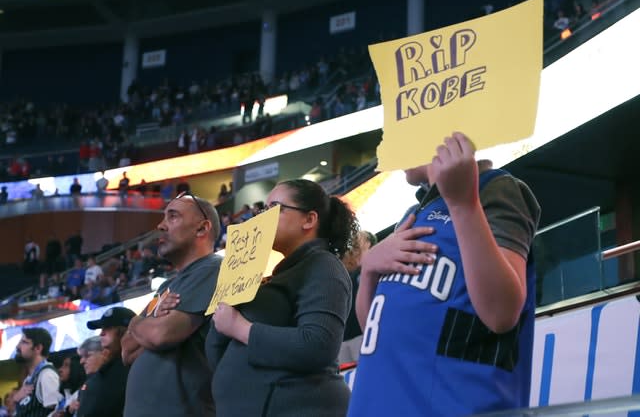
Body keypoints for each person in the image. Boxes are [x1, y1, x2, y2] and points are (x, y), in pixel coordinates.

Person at [347, 132, 541, 417]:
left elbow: (502, 312)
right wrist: (369, 272)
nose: (387, 147)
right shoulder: (413, 212)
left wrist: (464, 204)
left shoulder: (496, 188)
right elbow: (375, 330)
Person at [205, 179, 358, 416]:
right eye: (263, 210)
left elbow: (318, 344)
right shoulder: (279, 274)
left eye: (275, 208)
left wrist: (240, 327)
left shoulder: (324, 266)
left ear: (309, 220)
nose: (263, 218)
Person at [121, 192, 222, 417]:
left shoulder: (213, 268)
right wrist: (152, 320)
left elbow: (159, 335)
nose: (161, 225)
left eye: (173, 217)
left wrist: (136, 320)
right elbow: (127, 350)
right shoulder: (166, 286)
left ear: (202, 229)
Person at [78, 307, 135, 417]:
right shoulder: (108, 368)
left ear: (124, 330)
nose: (101, 333)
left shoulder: (133, 364)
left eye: (108, 328)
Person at [338, 230, 377, 364]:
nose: (354, 244)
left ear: (369, 244)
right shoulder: (343, 272)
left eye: (359, 241)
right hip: (342, 339)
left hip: (364, 335)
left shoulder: (372, 269)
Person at [13, 327, 61, 417]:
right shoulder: (29, 379)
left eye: (24, 342)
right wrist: (16, 400)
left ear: (38, 348)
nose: (18, 346)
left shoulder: (47, 375)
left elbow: (57, 413)